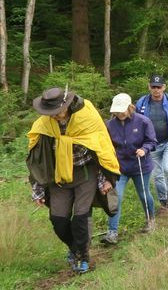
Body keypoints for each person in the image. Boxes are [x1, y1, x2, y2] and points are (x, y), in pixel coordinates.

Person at [27, 87, 120, 274]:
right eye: (49, 113)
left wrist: (105, 179)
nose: (53, 116)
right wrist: (37, 188)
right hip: (59, 176)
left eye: (56, 112)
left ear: (66, 105)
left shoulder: (87, 116)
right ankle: (75, 248)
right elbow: (38, 159)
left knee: (80, 217)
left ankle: (83, 257)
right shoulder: (43, 125)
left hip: (85, 173)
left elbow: (101, 147)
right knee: (58, 220)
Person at [102, 93, 157, 245]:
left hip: (140, 164)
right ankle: (112, 232)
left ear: (130, 107)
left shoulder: (143, 121)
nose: (120, 113)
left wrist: (144, 149)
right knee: (116, 197)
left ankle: (151, 221)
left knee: (144, 194)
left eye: (123, 110)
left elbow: (152, 141)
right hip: (119, 167)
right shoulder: (109, 125)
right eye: (117, 110)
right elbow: (106, 146)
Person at [136, 74, 168, 212]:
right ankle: (164, 202)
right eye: (153, 87)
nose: (156, 90)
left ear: (164, 87)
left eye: (159, 87)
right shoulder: (141, 103)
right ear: (149, 87)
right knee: (157, 175)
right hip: (150, 145)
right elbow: (135, 124)